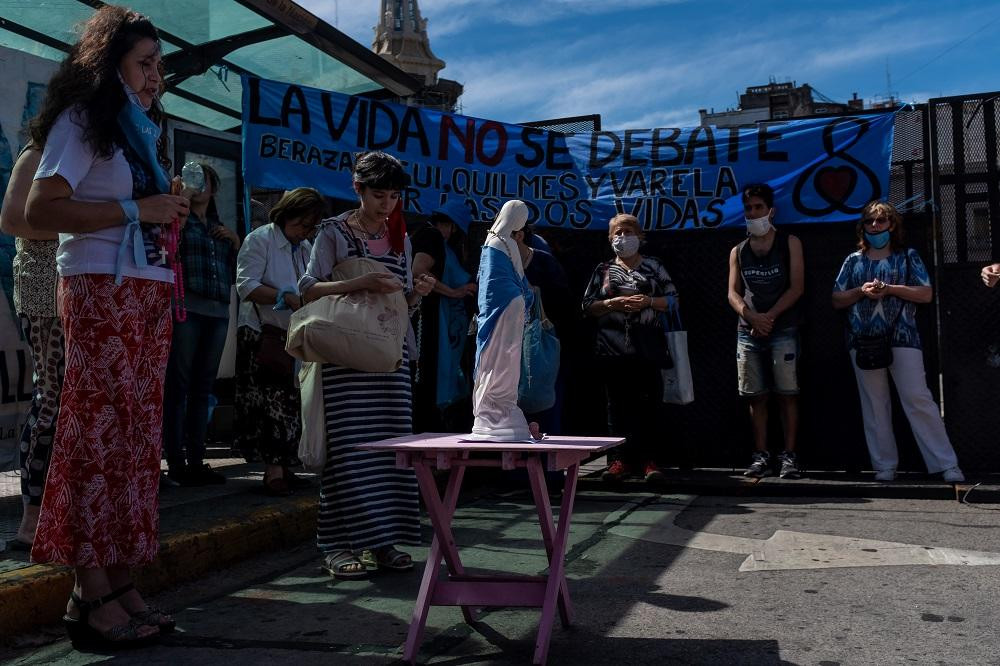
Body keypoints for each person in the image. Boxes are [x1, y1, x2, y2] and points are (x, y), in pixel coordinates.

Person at [24, 6, 189, 647]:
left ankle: (119, 582)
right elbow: (42, 208)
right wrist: (135, 206)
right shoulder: (84, 119)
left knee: (132, 443)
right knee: (96, 437)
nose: (155, 76)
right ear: (110, 62)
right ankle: (90, 594)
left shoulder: (141, 130)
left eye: (158, 65)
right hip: (99, 290)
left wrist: (155, 206)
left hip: (144, 292)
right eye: (145, 63)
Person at [300, 151, 434, 579]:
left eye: (394, 196)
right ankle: (336, 545)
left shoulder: (401, 236)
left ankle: (382, 541)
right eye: (379, 195)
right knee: (348, 453)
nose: (387, 205)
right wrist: (360, 281)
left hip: (389, 360)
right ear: (358, 190)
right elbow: (307, 289)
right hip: (344, 360)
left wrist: (419, 294)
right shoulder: (333, 232)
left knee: (389, 452)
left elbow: (401, 305)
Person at [832, 201, 964, 483]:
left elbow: (926, 293)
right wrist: (861, 290)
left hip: (903, 336)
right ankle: (884, 465)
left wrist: (890, 289)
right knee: (874, 405)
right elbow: (837, 298)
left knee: (917, 398)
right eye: (869, 222)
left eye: (881, 221)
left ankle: (946, 463)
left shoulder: (908, 257)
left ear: (892, 225)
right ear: (863, 227)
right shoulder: (853, 260)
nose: (875, 227)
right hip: (864, 339)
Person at [235, 187, 320, 495]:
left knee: (292, 402)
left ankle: (285, 465)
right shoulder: (260, 239)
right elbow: (246, 286)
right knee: (270, 401)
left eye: (310, 227)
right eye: (301, 225)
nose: (304, 232)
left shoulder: (307, 247)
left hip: (294, 335)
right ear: (287, 216)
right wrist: (283, 297)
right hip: (262, 333)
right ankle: (273, 471)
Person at [582, 213, 676, 483]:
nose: (623, 237)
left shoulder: (654, 267)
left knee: (648, 405)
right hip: (612, 349)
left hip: (647, 347)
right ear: (610, 238)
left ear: (640, 236)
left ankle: (649, 461)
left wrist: (648, 301)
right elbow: (587, 306)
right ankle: (618, 461)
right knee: (617, 407)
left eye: (628, 232)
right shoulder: (602, 271)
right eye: (617, 233)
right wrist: (612, 304)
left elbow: (673, 301)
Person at [1, 145, 63, 551]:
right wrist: (89, 225)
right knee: (53, 401)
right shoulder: (39, 150)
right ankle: (32, 519)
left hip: (86, 288)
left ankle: (62, 514)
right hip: (45, 290)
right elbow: (11, 220)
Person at [162, 164, 238, 486]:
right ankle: (176, 462)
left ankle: (196, 460)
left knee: (202, 387)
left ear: (215, 187)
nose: (200, 185)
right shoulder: (179, 219)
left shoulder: (220, 228)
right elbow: (167, 250)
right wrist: (181, 200)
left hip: (218, 311)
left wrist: (235, 242)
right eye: (193, 179)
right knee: (178, 385)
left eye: (205, 180)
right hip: (186, 309)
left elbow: (236, 273)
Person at [727, 183, 804, 479]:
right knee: (754, 396)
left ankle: (790, 456)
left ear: (770, 210)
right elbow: (732, 293)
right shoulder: (738, 251)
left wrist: (769, 316)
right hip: (748, 331)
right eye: (748, 208)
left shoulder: (790, 242)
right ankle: (761, 455)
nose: (753, 213)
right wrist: (751, 317)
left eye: (758, 207)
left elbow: (797, 287)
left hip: (782, 328)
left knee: (787, 393)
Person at [409, 199, 477, 432]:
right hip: (425, 322)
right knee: (425, 380)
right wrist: (454, 292)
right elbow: (419, 271)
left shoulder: (428, 236)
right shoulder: (431, 236)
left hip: (435, 321)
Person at [512, 223, 573, 434]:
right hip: (508, 349)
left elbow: (563, 307)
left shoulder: (545, 263)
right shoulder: (496, 263)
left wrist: (534, 294)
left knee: (545, 409)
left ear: (518, 236)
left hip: (542, 348)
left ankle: (549, 465)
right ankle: (516, 466)